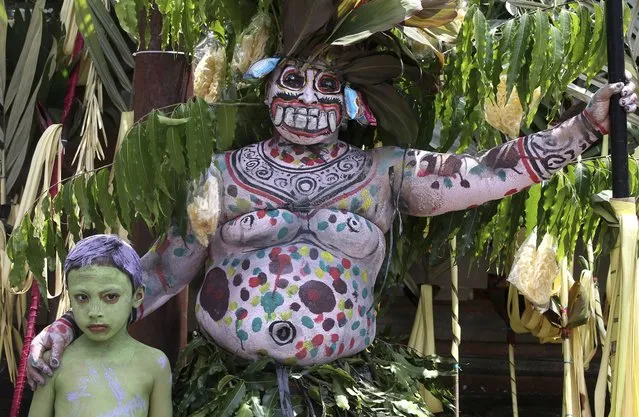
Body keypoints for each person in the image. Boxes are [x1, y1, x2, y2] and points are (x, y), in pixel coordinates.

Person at [28, 235, 172, 417]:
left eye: (110, 297)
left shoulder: (154, 364)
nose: (94, 312)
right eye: (82, 297)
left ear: (137, 296)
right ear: (70, 296)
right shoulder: (54, 363)